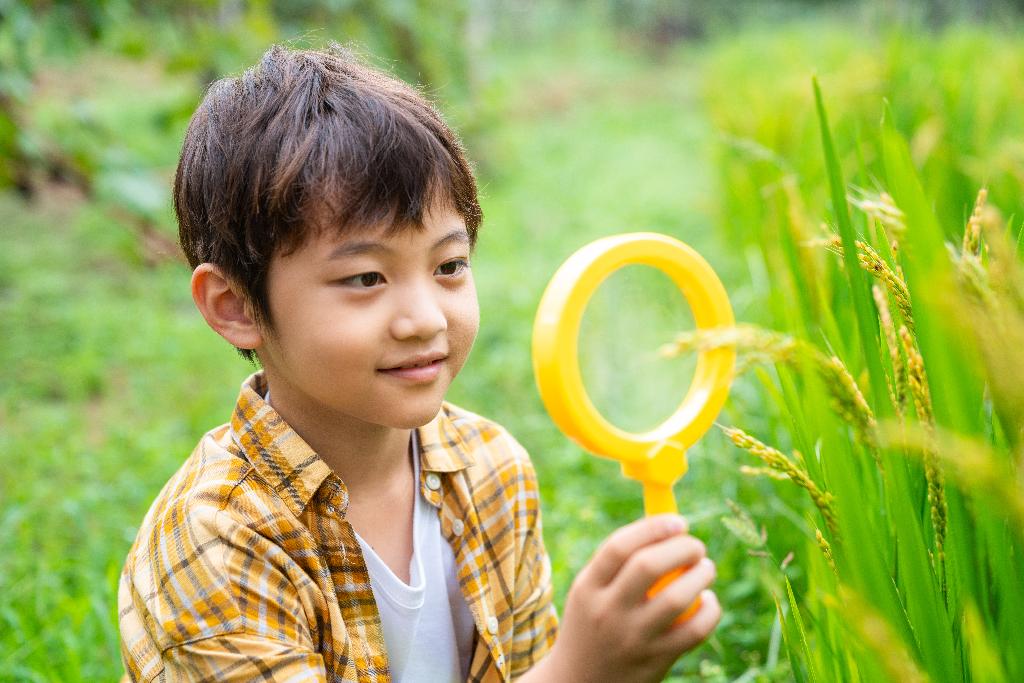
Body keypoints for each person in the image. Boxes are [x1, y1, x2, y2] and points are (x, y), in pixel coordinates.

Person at [117, 43, 720, 683]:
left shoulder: (492, 471)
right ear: (236, 306)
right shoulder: (216, 542)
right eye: (367, 277)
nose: (427, 318)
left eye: (449, 267)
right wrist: (580, 672)